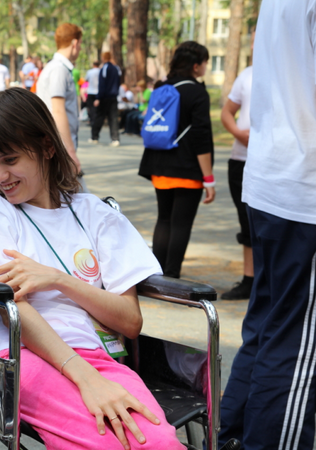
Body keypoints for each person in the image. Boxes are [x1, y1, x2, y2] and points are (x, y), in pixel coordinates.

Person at [0, 88, 183, 450]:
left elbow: (129, 321)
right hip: (22, 356)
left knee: (159, 442)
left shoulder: (94, 213)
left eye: (10, 159)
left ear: (47, 147)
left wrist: (58, 280)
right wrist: (85, 378)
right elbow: (12, 313)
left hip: (99, 355)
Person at [219, 1, 316, 448]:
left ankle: (234, 437)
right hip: (304, 190)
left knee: (268, 328)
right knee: (298, 348)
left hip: (272, 180)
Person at [137, 41, 215, 279]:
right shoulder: (197, 92)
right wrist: (209, 178)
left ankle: (157, 275)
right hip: (187, 167)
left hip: (159, 164)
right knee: (181, 224)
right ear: (195, 66)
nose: (206, 66)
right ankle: (172, 276)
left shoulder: (162, 87)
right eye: (205, 62)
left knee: (164, 219)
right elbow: (201, 137)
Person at [35, 22, 86, 192]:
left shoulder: (56, 68)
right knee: (77, 197)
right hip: (59, 147)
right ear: (74, 43)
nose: (80, 48)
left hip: (56, 145)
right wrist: (70, 153)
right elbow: (57, 110)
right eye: (80, 44)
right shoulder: (59, 70)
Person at [219, 63, 253, 300]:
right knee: (246, 222)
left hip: (278, 163)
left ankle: (271, 281)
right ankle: (250, 280)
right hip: (241, 159)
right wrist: (239, 133)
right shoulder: (247, 74)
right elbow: (226, 112)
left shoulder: (294, 67)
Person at [90, 52, 121, 147]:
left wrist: (98, 97)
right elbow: (118, 82)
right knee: (113, 118)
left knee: (99, 117)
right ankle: (115, 139)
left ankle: (94, 137)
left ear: (103, 58)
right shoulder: (116, 68)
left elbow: (102, 84)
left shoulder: (104, 68)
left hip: (104, 97)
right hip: (113, 97)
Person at [85, 61, 101, 126]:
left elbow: (86, 79)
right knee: (98, 108)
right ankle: (97, 121)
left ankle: (92, 120)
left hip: (91, 91)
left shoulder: (89, 72)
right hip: (98, 92)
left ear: (93, 65)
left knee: (91, 107)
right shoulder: (100, 71)